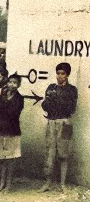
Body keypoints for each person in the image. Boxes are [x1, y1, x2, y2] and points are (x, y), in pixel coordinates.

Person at [39, 62, 78, 193]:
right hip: (51, 121)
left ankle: (62, 184)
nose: (60, 76)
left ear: (67, 75)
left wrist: (56, 99)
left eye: (63, 74)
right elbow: (45, 106)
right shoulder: (51, 87)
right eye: (58, 73)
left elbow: (71, 108)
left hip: (65, 123)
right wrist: (50, 100)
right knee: (50, 153)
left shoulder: (72, 90)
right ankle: (47, 183)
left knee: (63, 154)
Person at [0, 74, 24, 192]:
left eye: (15, 83)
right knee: (3, 158)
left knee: (11, 159)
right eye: (10, 82)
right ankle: (1, 184)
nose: (12, 85)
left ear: (18, 85)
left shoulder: (19, 98)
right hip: (2, 130)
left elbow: (12, 112)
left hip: (12, 131)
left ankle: (8, 185)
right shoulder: (2, 95)